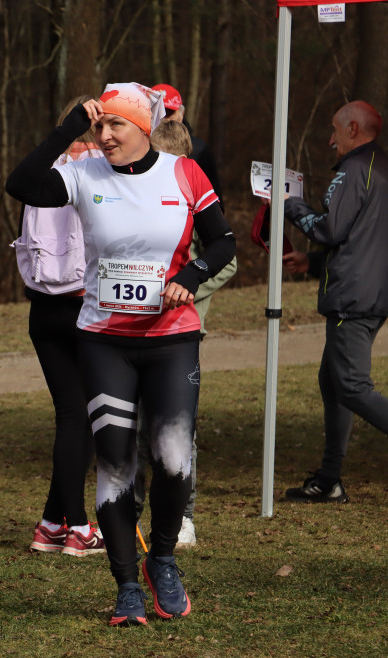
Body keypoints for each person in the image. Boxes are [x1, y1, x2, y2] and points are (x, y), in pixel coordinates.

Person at [6, 83, 235, 626]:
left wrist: (190, 276)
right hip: (104, 340)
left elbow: (222, 241)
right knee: (114, 462)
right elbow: (21, 183)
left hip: (171, 338)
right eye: (100, 125)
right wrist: (68, 130)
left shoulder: (184, 173)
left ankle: (162, 559)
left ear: (144, 128)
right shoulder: (83, 173)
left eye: (116, 126)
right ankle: (127, 585)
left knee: (174, 460)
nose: (104, 136)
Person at [281, 100, 388, 512]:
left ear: (353, 128)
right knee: (333, 382)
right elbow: (363, 238)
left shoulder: (354, 170)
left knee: (351, 385)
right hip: (371, 293)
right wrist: (313, 263)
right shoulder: (386, 170)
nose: (330, 138)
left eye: (335, 130)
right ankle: (328, 480)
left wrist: (288, 204)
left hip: (353, 298)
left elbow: (331, 228)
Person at [132, 119, 239, 548]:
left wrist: (187, 289)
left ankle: (185, 517)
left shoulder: (193, 198)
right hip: (135, 333)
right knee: (136, 428)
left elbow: (225, 260)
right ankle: (131, 512)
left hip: (181, 335)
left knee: (179, 431)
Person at [15, 95, 104, 558]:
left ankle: (52, 523)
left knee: (73, 415)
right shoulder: (96, 170)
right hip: (83, 306)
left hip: (42, 309)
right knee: (81, 418)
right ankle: (81, 527)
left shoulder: (44, 168)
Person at [152, 83, 223, 203]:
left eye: (168, 113)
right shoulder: (134, 148)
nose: (163, 118)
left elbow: (215, 200)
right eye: (157, 112)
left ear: (181, 113)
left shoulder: (200, 149)